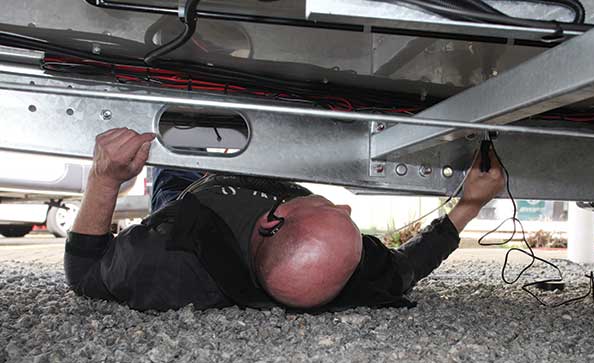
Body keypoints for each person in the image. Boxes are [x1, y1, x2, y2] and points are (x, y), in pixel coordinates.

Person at [64, 128, 504, 311]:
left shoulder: (171, 262)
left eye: (334, 212)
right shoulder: (357, 270)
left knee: (170, 161)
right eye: (338, 214)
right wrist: (469, 207)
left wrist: (106, 178)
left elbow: (84, 274)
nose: (346, 209)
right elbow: (409, 266)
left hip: (189, 197)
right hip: (264, 162)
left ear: (276, 218)